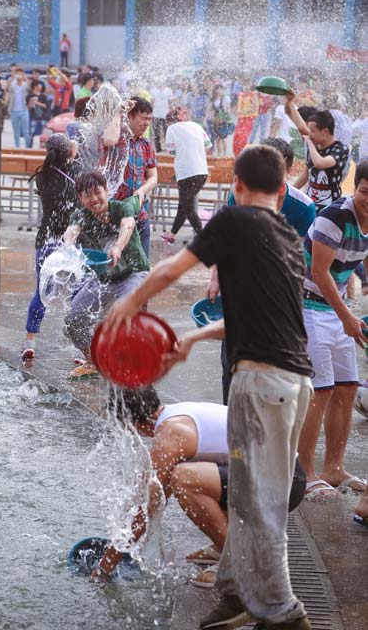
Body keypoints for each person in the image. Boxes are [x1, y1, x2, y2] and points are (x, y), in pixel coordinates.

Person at [105, 144, 313, 630]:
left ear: (236, 185)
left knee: (257, 501)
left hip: (261, 384)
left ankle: (283, 612)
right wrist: (196, 336)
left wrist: (127, 305)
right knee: (246, 496)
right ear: (283, 191)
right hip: (292, 383)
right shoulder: (286, 235)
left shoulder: (236, 219)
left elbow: (171, 268)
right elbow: (263, 317)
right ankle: (235, 592)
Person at [96, 387, 306, 589]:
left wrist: (107, 564)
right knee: (185, 475)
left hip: (284, 485)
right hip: (281, 476)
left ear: (133, 422)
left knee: (184, 479)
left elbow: (149, 505)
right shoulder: (175, 416)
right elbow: (157, 495)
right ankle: (226, 543)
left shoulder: (171, 435)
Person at [208, 136, 317, 404]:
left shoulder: (304, 209)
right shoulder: (241, 194)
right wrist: (216, 277)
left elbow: (300, 261)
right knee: (231, 362)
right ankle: (229, 422)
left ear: (288, 171)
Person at [297, 159, 368, 498]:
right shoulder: (334, 217)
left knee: (348, 386)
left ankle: (334, 468)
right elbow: (320, 273)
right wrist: (347, 319)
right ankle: (306, 473)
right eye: (365, 192)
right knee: (320, 390)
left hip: (335, 306)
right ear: (357, 187)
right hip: (306, 304)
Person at [63, 170, 150, 379]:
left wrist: (118, 246)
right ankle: (93, 361)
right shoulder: (81, 215)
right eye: (86, 195)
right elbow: (71, 231)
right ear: (80, 199)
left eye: (97, 192)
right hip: (103, 278)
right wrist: (67, 247)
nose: (93, 199)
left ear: (106, 190)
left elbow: (128, 225)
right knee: (72, 322)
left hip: (134, 273)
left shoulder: (122, 207)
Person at [21, 134, 78, 361]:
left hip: (45, 240)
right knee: (77, 294)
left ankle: (29, 341)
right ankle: (78, 347)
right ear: (69, 153)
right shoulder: (75, 174)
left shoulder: (42, 175)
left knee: (42, 292)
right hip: (69, 242)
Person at [113, 97, 157, 258]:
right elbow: (108, 138)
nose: (147, 123)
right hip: (115, 214)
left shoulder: (146, 145)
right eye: (143, 119)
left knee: (142, 268)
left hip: (140, 214)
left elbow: (153, 176)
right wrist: (119, 113)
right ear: (130, 116)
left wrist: (143, 190)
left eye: (149, 119)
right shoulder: (118, 139)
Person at [161, 107, 211, 244]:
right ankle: (171, 234)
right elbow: (208, 145)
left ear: (170, 121)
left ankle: (203, 238)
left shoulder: (171, 129)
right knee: (184, 204)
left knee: (187, 207)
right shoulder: (196, 126)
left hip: (185, 173)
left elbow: (171, 152)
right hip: (201, 172)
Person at [288, 104, 349, 212]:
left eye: (312, 131)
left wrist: (309, 144)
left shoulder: (340, 149)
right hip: (310, 205)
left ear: (325, 131)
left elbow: (319, 163)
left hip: (330, 208)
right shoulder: (314, 142)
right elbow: (307, 173)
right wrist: (290, 191)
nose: (310, 134)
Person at [7, 68, 30, 148]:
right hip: (14, 111)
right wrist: (12, 79)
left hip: (24, 110)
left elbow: (30, 89)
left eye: (21, 74)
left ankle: (28, 148)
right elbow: (7, 89)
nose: (19, 76)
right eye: (18, 74)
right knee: (16, 132)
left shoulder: (25, 84)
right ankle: (17, 148)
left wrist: (25, 78)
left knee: (26, 131)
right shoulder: (13, 84)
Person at [26, 80, 49, 148]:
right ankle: (29, 147)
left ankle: (43, 147)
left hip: (43, 117)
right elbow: (28, 107)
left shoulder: (43, 96)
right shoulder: (29, 96)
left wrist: (37, 103)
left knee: (44, 134)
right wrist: (31, 102)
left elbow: (45, 106)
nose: (41, 86)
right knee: (31, 133)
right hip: (33, 117)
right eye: (39, 85)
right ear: (35, 87)